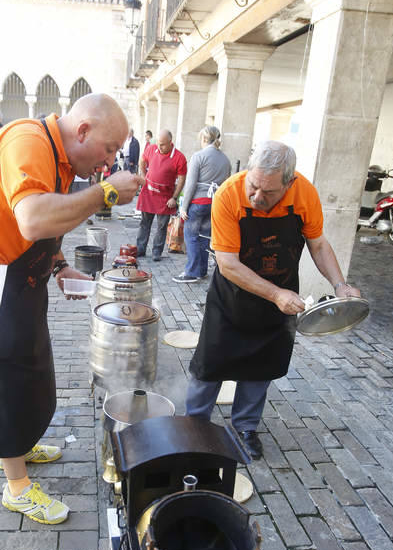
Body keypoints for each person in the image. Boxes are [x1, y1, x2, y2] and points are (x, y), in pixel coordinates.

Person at [0, 93, 142, 525]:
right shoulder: (28, 140)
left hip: (24, 275)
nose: (109, 162)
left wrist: (60, 264)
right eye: (109, 149)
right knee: (5, 376)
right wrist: (105, 192)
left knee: (33, 366)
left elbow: (49, 225)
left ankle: (22, 444)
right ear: (84, 130)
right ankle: (15, 484)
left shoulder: (62, 158)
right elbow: (32, 219)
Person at [186, 140, 361, 460]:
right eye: (253, 186)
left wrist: (340, 284)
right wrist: (275, 294)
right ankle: (195, 425)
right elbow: (227, 263)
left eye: (268, 193)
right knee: (210, 363)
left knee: (262, 365)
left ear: (289, 182)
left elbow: (318, 245)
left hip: (281, 292)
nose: (256, 197)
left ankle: (245, 427)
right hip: (232, 296)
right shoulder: (229, 194)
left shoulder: (304, 193)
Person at [174, 125, 231, 283]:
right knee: (205, 237)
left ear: (204, 138)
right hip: (215, 203)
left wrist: (183, 207)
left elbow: (191, 184)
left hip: (198, 202)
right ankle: (202, 270)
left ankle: (191, 272)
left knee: (191, 235)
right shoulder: (225, 159)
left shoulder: (198, 156)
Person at [136, 129, 187, 261]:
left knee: (162, 226)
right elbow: (142, 160)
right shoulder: (152, 149)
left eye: (163, 144)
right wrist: (143, 176)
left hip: (165, 197)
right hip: (149, 193)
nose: (159, 146)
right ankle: (140, 249)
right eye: (158, 143)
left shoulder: (179, 158)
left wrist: (174, 198)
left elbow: (182, 179)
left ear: (170, 143)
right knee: (144, 223)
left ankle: (156, 252)